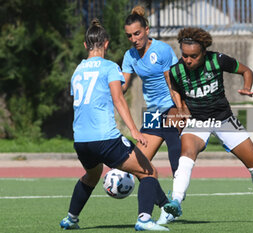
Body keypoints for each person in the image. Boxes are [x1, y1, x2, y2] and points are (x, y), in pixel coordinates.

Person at [162, 27, 253, 223]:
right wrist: (180, 109)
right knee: (187, 155)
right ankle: (176, 203)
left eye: (193, 56)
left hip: (224, 120)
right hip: (197, 121)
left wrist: (247, 88)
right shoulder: (176, 71)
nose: (188, 60)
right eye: (185, 55)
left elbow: (246, 71)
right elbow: (175, 90)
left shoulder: (218, 60)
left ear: (204, 52)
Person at [59, 18, 171, 231]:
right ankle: (145, 219)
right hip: (105, 138)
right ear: (107, 44)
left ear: (85, 45)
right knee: (148, 172)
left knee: (92, 175)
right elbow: (118, 99)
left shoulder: (77, 71)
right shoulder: (110, 67)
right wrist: (134, 130)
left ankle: (71, 219)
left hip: (81, 140)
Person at [122, 6, 182, 224]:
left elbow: (173, 82)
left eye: (137, 33)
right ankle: (166, 206)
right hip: (153, 114)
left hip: (171, 109)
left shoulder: (163, 50)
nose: (133, 39)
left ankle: (177, 201)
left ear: (146, 30)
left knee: (176, 157)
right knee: (137, 164)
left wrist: (181, 110)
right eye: (129, 35)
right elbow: (124, 85)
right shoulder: (129, 56)